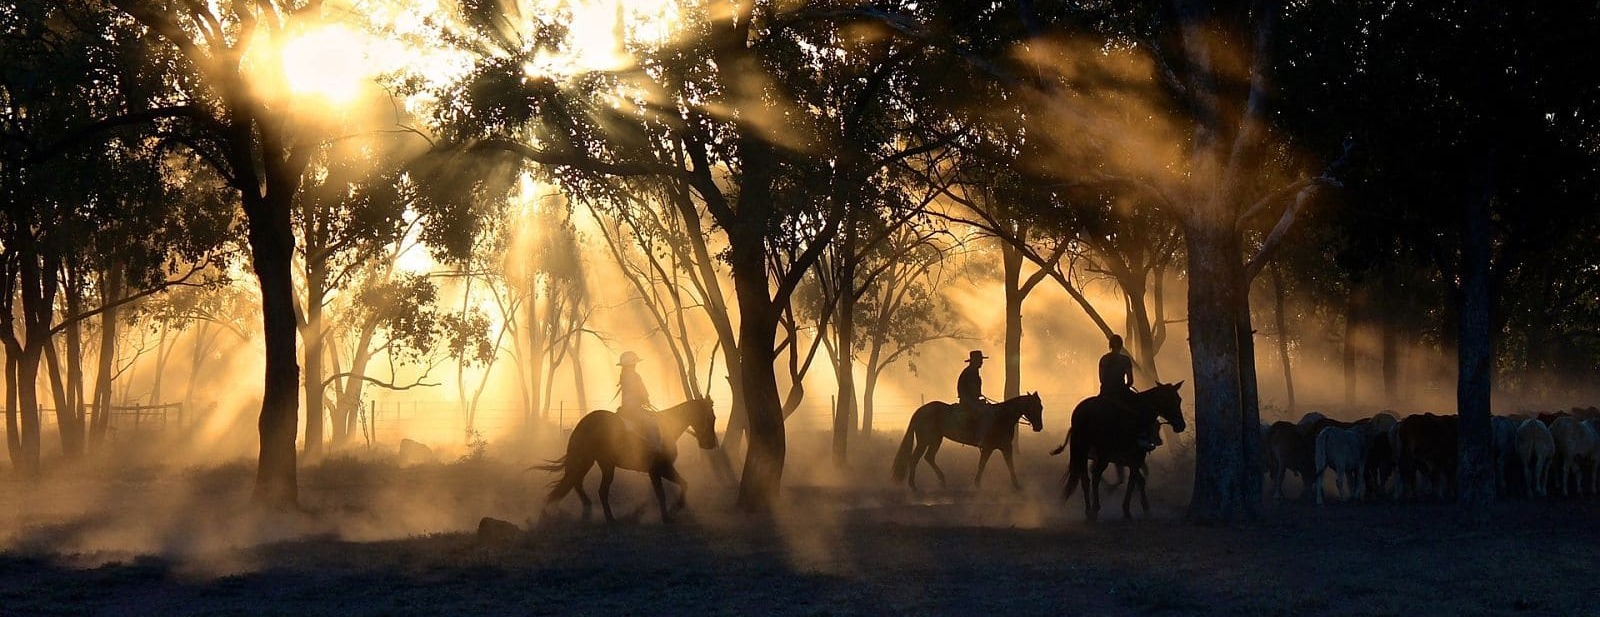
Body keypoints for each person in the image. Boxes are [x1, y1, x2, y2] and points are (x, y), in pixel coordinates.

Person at [1099, 334, 1158, 451]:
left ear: (1110, 345)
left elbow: (1102, 379)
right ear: (1121, 346)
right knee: (1141, 410)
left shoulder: (1103, 359)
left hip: (1105, 392)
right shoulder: (1125, 360)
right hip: (1121, 392)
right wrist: (1126, 385)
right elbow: (1130, 380)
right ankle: (1143, 438)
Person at [615, 351, 662, 457]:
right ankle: (656, 450)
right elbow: (642, 391)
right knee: (652, 424)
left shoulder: (623, 375)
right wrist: (645, 399)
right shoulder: (634, 375)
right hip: (634, 408)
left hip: (626, 407)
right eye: (635, 363)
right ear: (632, 364)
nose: (636, 365)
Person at [958, 350, 995, 444]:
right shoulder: (970, 372)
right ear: (975, 361)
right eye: (980, 360)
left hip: (970, 399)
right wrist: (976, 399)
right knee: (987, 414)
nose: (982, 362)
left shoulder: (972, 371)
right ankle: (979, 438)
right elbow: (969, 390)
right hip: (968, 401)